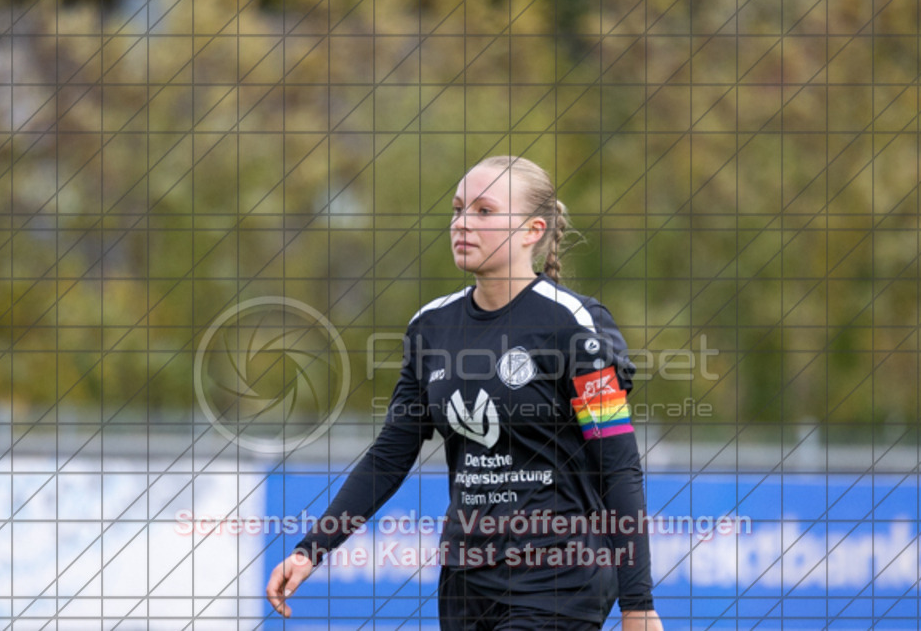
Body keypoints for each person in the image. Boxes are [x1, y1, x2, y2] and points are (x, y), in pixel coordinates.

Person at [267, 156, 664, 631]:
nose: (462, 224)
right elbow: (390, 455)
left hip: (560, 577)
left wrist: (638, 605)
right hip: (465, 583)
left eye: (484, 211)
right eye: (458, 210)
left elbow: (618, 465)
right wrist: (313, 548)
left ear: (532, 230)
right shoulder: (431, 326)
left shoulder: (573, 324)